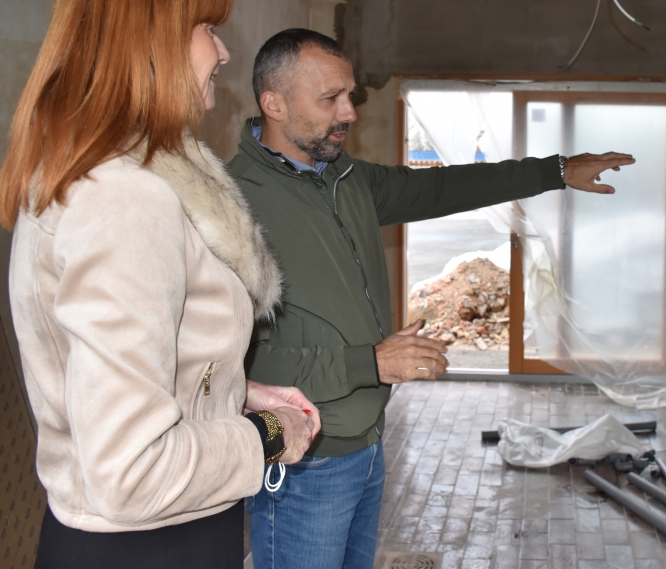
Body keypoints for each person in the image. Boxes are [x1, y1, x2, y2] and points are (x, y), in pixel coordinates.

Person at [226, 28, 634, 569]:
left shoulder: (346, 178)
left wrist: (555, 171)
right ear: (274, 104)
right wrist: (371, 362)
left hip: (366, 440)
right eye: (330, 99)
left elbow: (444, 188)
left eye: (350, 95)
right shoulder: (234, 205)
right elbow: (237, 367)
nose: (349, 113)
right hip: (303, 459)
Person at [0, 0, 321, 569]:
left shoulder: (91, 175)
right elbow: (131, 472)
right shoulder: (123, 197)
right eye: (207, 28)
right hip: (151, 547)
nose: (222, 52)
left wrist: (235, 392)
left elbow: (113, 379)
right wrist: (267, 434)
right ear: (151, 37)